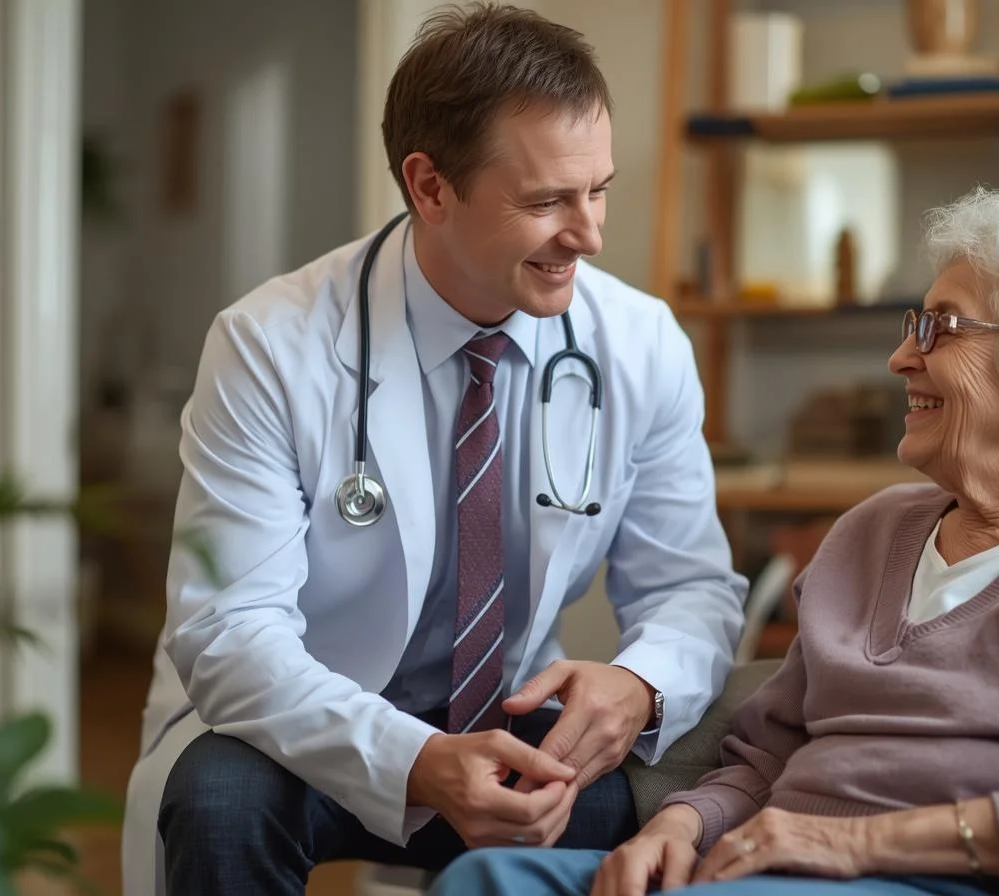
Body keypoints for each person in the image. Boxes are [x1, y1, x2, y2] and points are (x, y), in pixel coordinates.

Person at [427, 188, 999, 896]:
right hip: (770, 865)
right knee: (487, 881)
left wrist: (861, 845)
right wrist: (681, 826)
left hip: (949, 879)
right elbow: (767, 752)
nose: (901, 356)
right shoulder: (875, 530)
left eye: (942, 328)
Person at [118, 5, 748, 895]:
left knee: (650, 813)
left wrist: (639, 684)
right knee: (221, 801)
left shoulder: (640, 345)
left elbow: (690, 585)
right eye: (546, 201)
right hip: (308, 721)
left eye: (597, 189)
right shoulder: (270, 344)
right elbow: (230, 630)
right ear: (430, 187)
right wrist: (416, 760)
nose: (591, 233)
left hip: (508, 721)